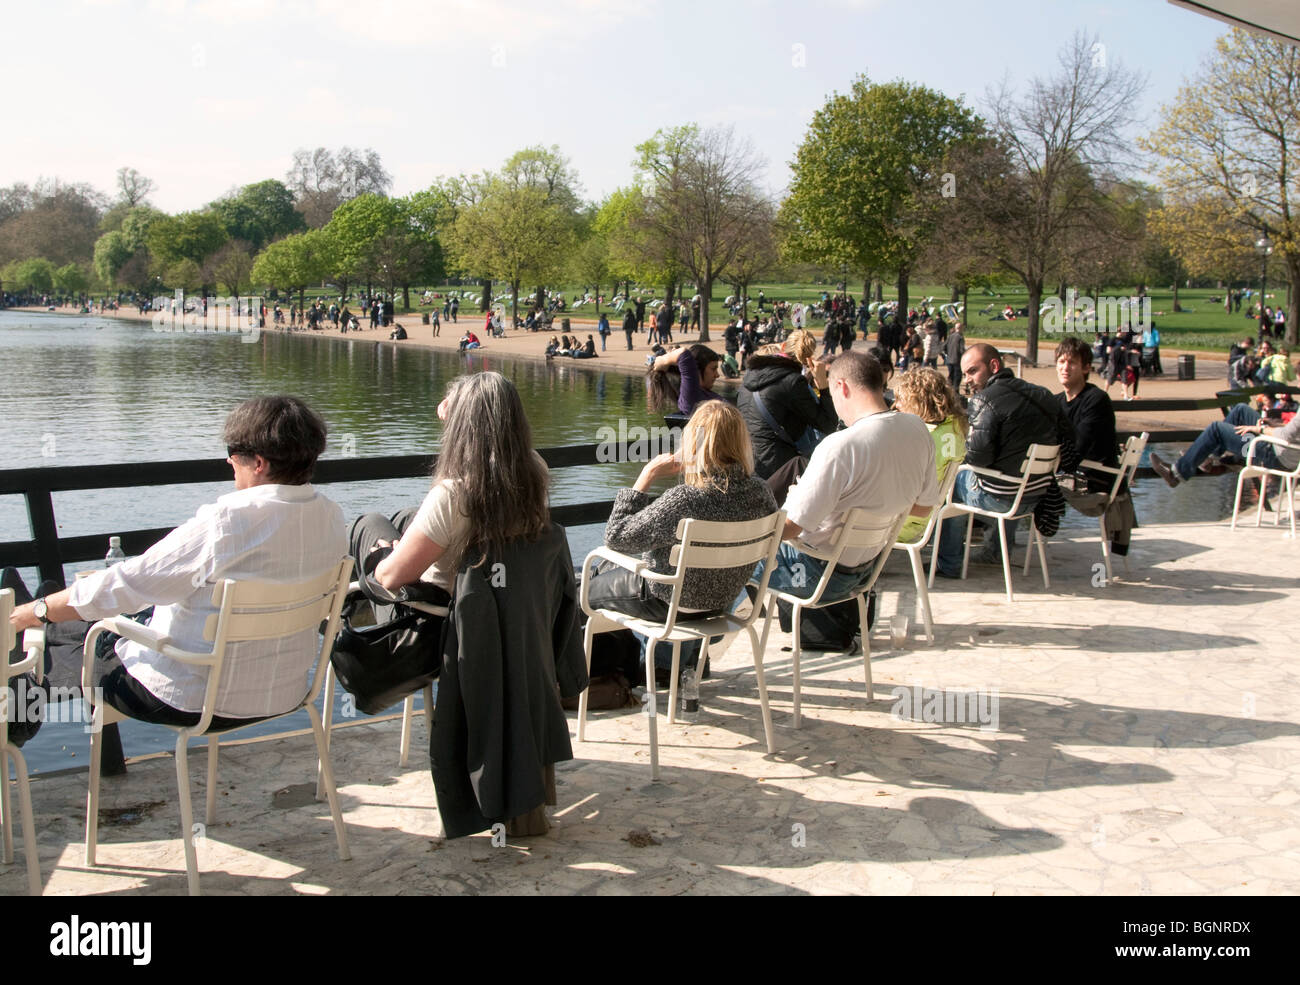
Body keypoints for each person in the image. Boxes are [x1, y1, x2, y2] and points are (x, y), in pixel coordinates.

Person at [7, 397, 346, 728]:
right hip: (284, 693)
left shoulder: (228, 521)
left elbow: (129, 584)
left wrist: (35, 612)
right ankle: (35, 635)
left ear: (258, 463)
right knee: (81, 624)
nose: (228, 462)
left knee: (84, 635)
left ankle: (21, 688)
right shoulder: (331, 517)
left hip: (189, 700)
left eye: (232, 453)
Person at [585, 401, 778, 682]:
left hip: (668, 603)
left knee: (582, 589)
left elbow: (616, 537)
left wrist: (646, 475)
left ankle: (581, 677)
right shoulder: (760, 491)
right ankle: (676, 668)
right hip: (720, 605)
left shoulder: (686, 498)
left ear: (694, 441)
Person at [351, 372, 551, 612]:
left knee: (367, 524)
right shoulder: (536, 472)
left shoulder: (451, 496)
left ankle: (332, 616)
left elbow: (391, 578)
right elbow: (496, 451)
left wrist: (383, 555)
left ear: (460, 427)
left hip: (436, 622)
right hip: (499, 612)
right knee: (406, 516)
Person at [755, 350, 939, 604]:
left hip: (817, 576)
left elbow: (789, 528)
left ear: (841, 387)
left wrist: (739, 528)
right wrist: (872, 504)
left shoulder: (840, 446)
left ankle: (709, 640)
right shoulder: (917, 428)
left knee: (731, 560)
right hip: (865, 573)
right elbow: (923, 508)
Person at [934, 343, 1079, 577]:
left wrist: (962, 451)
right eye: (965, 374)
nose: (967, 380)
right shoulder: (1043, 394)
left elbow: (979, 458)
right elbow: (1068, 438)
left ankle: (949, 564)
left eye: (973, 371)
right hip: (1036, 495)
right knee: (1010, 474)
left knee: (951, 483)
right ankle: (997, 551)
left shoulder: (984, 400)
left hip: (1003, 499)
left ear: (994, 365)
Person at [736, 329, 838, 480]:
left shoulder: (750, 377)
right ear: (809, 358)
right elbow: (828, 424)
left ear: (783, 346)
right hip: (779, 465)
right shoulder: (793, 382)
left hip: (748, 459)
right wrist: (823, 386)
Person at [892, 367, 968, 543]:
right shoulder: (955, 427)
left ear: (918, 401)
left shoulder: (918, 436)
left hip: (900, 521)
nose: (896, 405)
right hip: (924, 520)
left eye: (901, 399)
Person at [1151, 402, 1300, 488]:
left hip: (1274, 457)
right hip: (1281, 451)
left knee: (1216, 429)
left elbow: (1286, 435)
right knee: (1241, 410)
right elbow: (1292, 432)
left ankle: (1176, 473)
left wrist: (1259, 429)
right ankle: (1208, 457)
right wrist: (1275, 425)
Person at [1055, 336, 1118, 490]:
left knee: (1031, 490)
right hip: (1067, 473)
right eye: (1062, 362)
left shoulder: (1096, 399)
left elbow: (1079, 446)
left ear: (1086, 368)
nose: (1065, 367)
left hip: (1094, 479)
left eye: (1072, 362)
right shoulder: (1055, 401)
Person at [647, 344, 724, 416]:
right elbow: (684, 355)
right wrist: (663, 360)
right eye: (713, 369)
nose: (717, 375)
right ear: (696, 371)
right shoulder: (692, 397)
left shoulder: (698, 395)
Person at [945, 322, 966, 388]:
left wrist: (948, 353)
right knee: (957, 377)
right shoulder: (960, 337)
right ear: (961, 328)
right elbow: (961, 349)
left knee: (950, 376)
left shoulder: (950, 336)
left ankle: (949, 390)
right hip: (957, 360)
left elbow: (944, 346)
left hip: (949, 359)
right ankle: (955, 391)